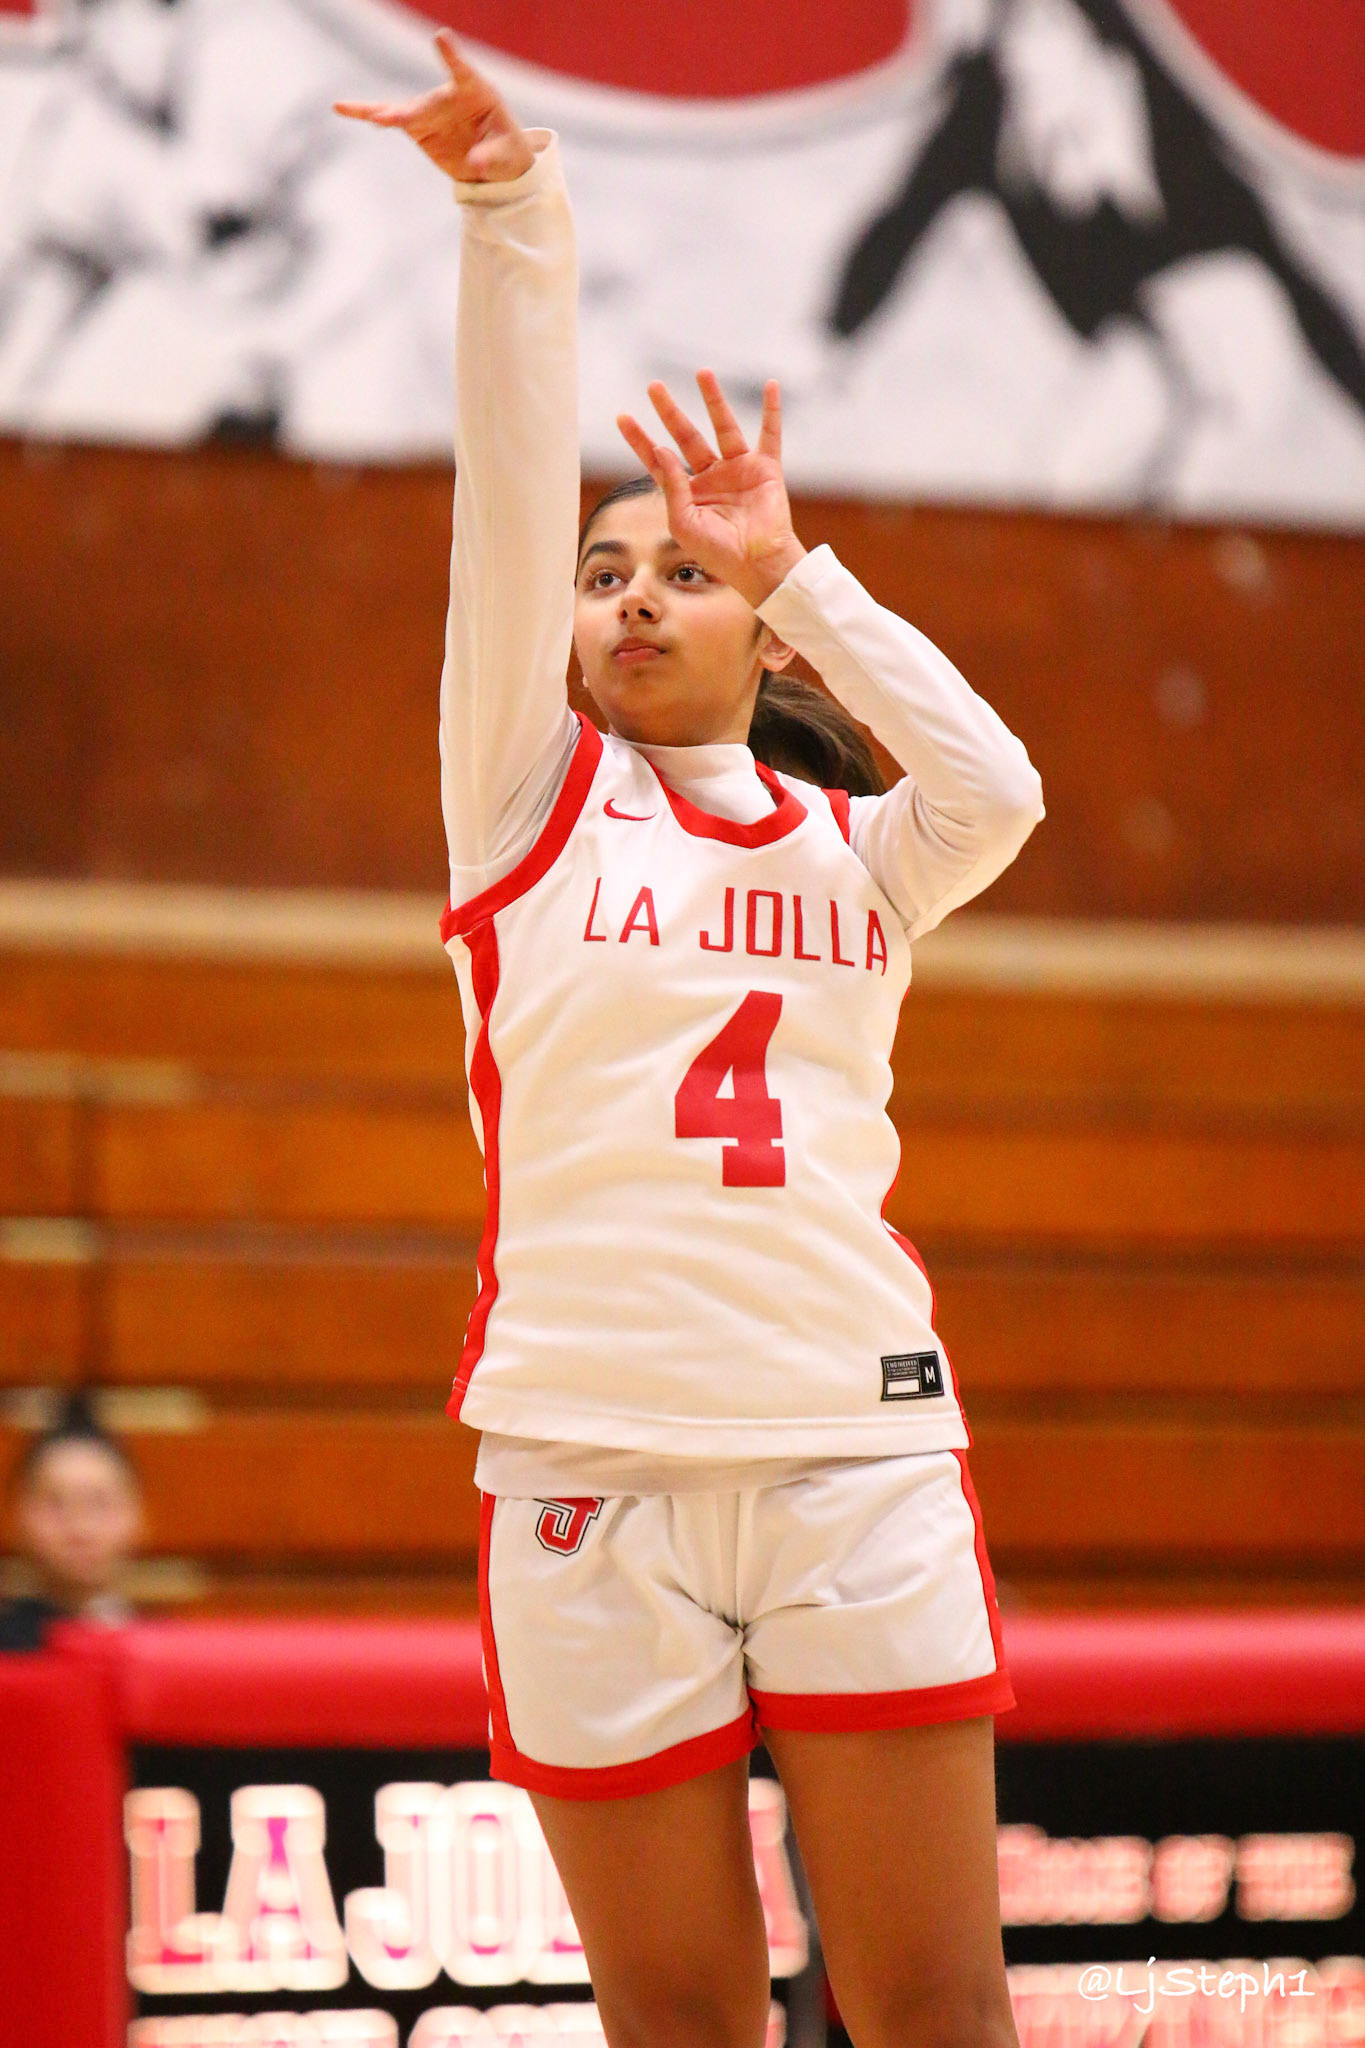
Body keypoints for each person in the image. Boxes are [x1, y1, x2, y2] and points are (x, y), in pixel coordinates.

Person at [338, 36, 1044, 2048]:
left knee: (935, 2010)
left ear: (761, 629)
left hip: (850, 1449)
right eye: (605, 575)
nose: (634, 597)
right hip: (587, 1458)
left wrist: (803, 566)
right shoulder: (524, 804)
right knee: (678, 2025)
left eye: (682, 572)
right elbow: (501, 497)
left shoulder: (861, 844)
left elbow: (998, 788)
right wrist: (512, 217)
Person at [0, 1393, 143, 1652]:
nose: (81, 1529)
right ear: (20, 1517)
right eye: (56, 1505)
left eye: (100, 1504)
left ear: (137, 1515)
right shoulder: (7, 1651)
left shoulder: (166, 1647)